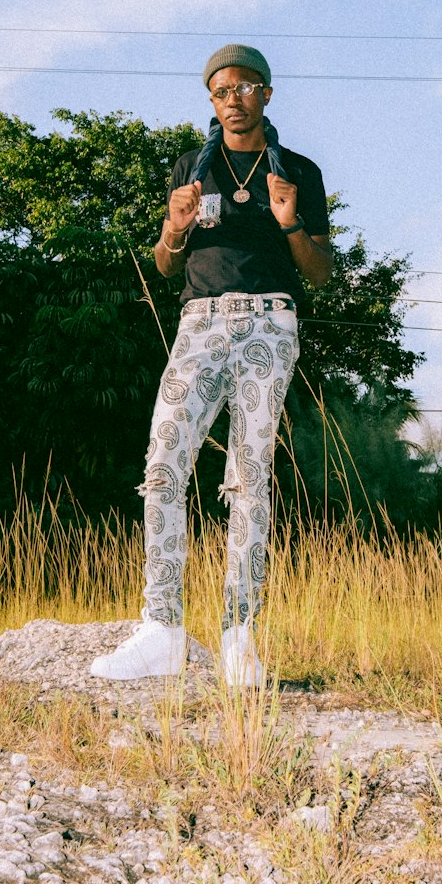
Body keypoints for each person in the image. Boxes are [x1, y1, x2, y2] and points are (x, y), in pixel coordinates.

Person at [90, 43, 333, 686]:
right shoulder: (190, 167)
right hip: (199, 322)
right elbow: (167, 263)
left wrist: (289, 224)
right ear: (212, 100)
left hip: (269, 322)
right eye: (222, 91)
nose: (234, 99)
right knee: (164, 462)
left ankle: (239, 636)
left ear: (267, 95)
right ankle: (162, 630)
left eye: (246, 87)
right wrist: (172, 227)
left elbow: (322, 272)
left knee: (250, 475)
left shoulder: (299, 171)